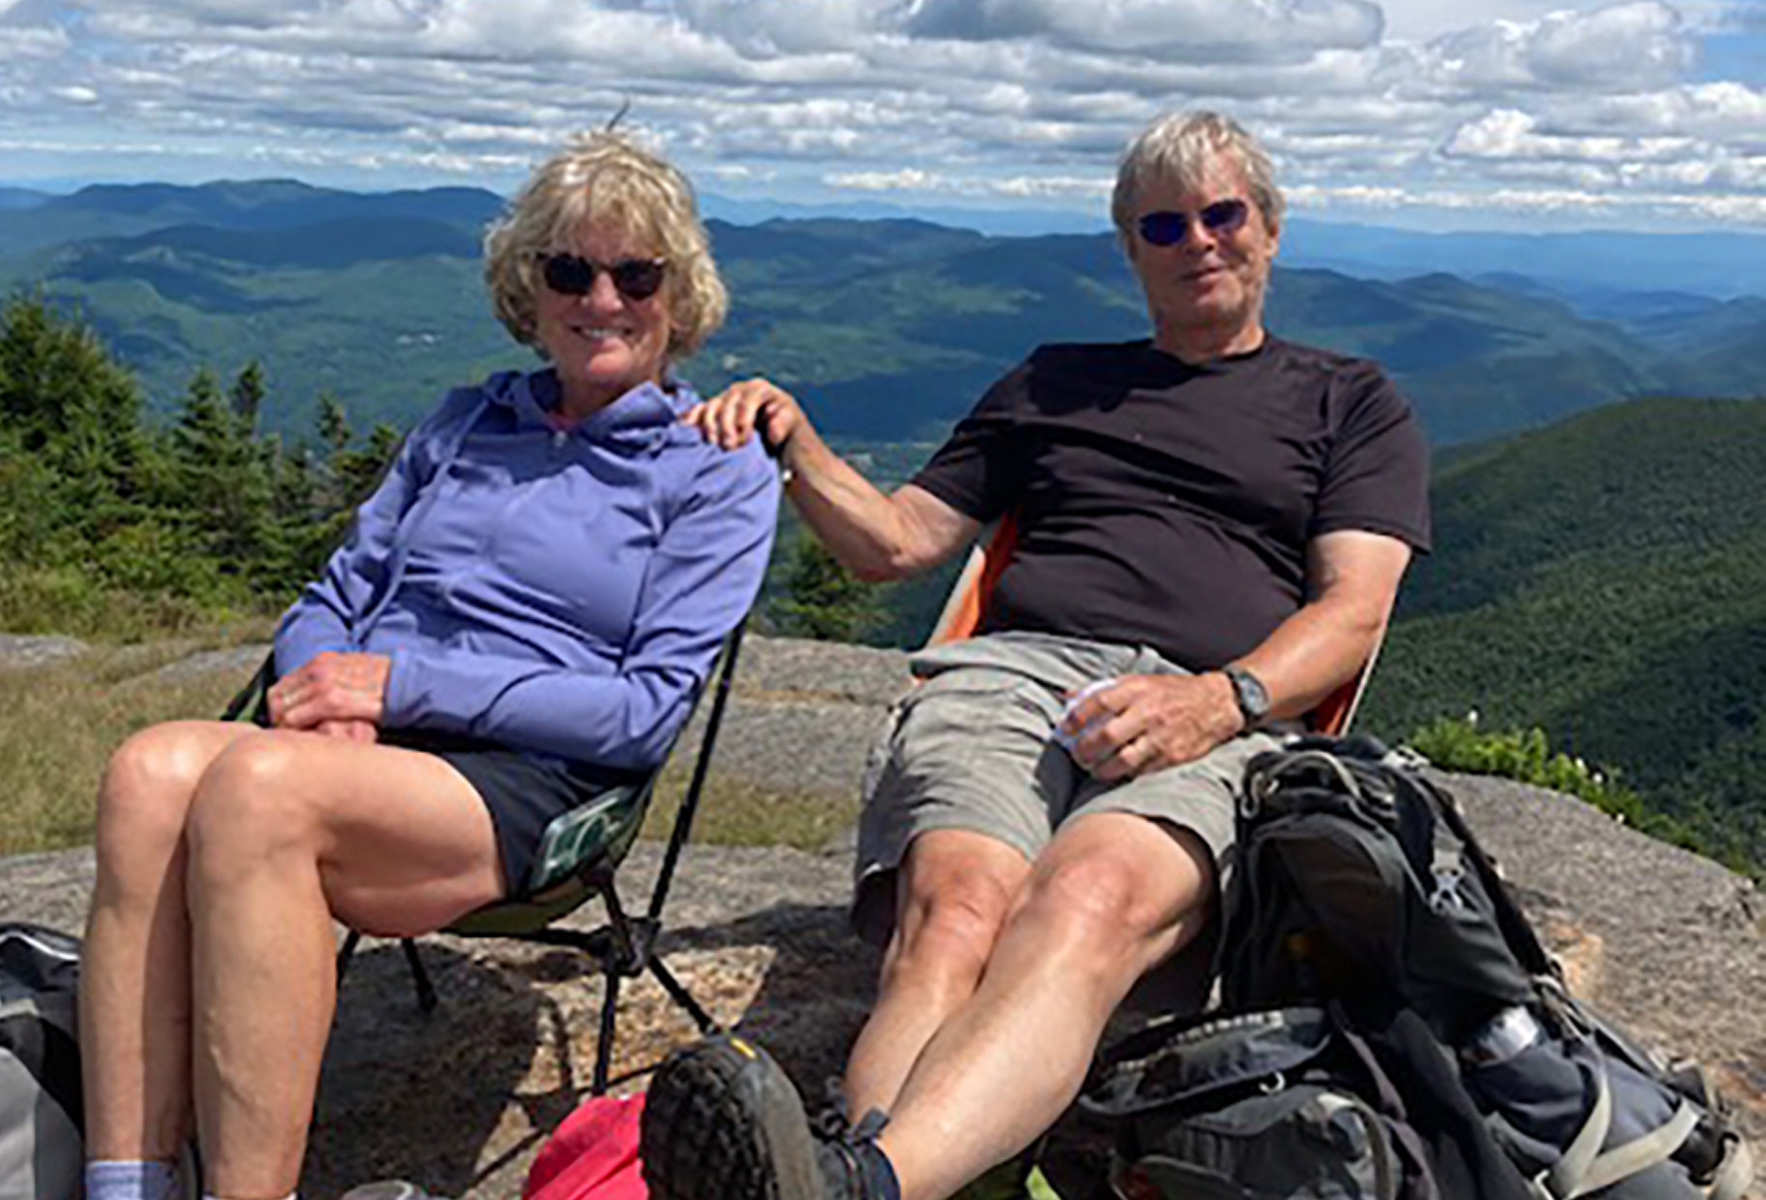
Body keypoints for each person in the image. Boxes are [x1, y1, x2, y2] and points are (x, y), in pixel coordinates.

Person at [640, 110, 1431, 1200]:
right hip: (1015, 672)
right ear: (1130, 247)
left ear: (1270, 228)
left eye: (1222, 212)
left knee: (1088, 895)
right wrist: (797, 440)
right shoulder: (1051, 380)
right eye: (1163, 223)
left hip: (1218, 704)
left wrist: (1218, 700)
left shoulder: (1351, 401)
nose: (1196, 239)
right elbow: (902, 542)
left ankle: (856, 1180)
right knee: (959, 914)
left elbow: (1353, 612)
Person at [77, 130, 779, 1200]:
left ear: (678, 296)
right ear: (527, 290)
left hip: (536, 771)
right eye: (569, 270)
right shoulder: (463, 422)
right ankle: (124, 1184)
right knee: (147, 773)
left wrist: (397, 687)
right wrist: (332, 699)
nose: (603, 297)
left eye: (637, 274)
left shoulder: (712, 466)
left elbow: (640, 714)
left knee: (262, 789)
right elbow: (333, 596)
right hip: (365, 749)